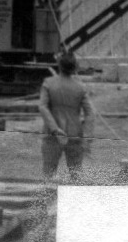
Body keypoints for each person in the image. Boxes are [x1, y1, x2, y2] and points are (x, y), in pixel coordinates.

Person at [39, 49, 94, 182]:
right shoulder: (80, 87)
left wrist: (54, 128)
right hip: (74, 134)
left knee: (48, 174)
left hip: (52, 135)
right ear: (75, 67)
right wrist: (87, 135)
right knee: (76, 175)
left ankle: (48, 202)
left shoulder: (48, 83)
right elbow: (90, 113)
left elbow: (43, 106)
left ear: (59, 65)